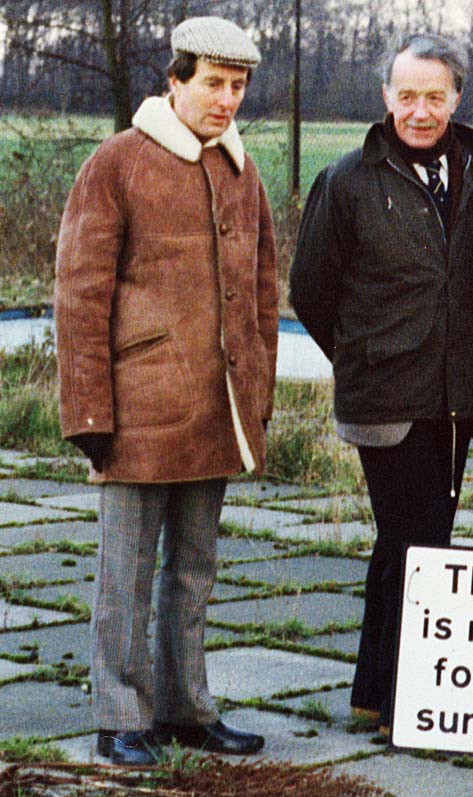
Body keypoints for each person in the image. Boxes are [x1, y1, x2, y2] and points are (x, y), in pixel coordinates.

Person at [55, 16, 276, 764]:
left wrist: (258, 393)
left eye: (237, 86)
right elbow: (79, 292)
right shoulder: (116, 163)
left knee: (195, 570)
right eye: (212, 83)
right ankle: (120, 716)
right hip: (136, 410)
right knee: (125, 574)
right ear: (174, 80)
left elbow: (263, 293)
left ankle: (186, 707)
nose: (225, 100)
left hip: (216, 412)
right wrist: (87, 409)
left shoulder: (244, 173)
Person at [289, 33, 473, 733]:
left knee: (422, 540)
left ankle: (378, 692)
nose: (420, 110)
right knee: (406, 536)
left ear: (455, 98)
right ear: (386, 98)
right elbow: (312, 294)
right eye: (406, 95)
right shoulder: (347, 180)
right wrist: (368, 354)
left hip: (457, 394)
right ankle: (398, 696)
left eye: (434, 96)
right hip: (387, 396)